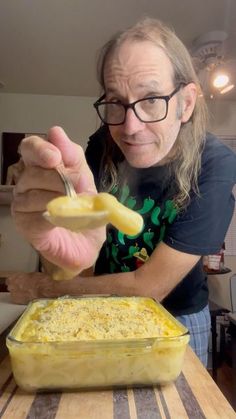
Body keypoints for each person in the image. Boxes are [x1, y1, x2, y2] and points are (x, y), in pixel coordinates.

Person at [7, 18, 236, 367]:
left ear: (186, 103)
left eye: (151, 100)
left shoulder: (215, 164)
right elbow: (76, 265)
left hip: (179, 319)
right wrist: (50, 235)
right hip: (97, 306)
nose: (130, 127)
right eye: (116, 102)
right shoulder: (103, 143)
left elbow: (150, 287)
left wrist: (44, 289)